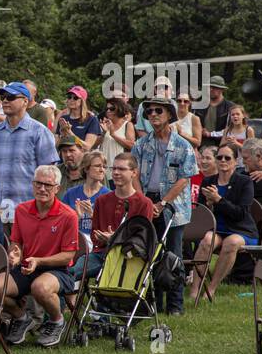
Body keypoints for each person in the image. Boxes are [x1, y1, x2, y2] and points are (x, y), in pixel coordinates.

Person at [0, 165, 80, 348]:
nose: (42, 189)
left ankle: (57, 320)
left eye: (48, 185)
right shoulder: (22, 210)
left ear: (57, 188)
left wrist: (39, 260)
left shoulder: (68, 215)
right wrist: (15, 253)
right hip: (27, 267)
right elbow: (16, 243)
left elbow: (68, 256)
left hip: (57, 270)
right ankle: (21, 317)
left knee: (40, 287)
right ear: (33, 184)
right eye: (38, 183)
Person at [133, 96, 198, 315]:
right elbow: (133, 174)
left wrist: (162, 203)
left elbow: (184, 179)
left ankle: (174, 305)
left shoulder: (183, 145)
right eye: (149, 111)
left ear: (169, 114)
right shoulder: (140, 144)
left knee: (173, 256)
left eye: (158, 111)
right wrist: (143, 201)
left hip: (173, 207)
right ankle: (152, 303)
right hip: (146, 200)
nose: (153, 115)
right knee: (147, 253)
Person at [0, 80, 58, 219]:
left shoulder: (39, 132)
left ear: (25, 101)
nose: (5, 101)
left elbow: (49, 173)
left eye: (11, 97)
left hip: (28, 210)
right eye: (3, 97)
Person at [73, 152, 156, 282]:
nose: (116, 172)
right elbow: (95, 234)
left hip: (129, 258)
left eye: (122, 169)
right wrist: (104, 239)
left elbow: (143, 241)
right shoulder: (102, 200)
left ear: (134, 173)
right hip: (101, 254)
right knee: (69, 274)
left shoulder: (144, 203)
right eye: (114, 168)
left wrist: (115, 239)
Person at [191, 143, 258, 301]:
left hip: (241, 229)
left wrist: (218, 200)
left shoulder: (244, 182)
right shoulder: (208, 181)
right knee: (207, 240)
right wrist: (208, 205)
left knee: (231, 243)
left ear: (236, 161)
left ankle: (211, 289)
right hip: (216, 228)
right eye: (219, 157)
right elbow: (201, 211)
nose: (223, 160)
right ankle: (195, 289)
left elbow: (241, 213)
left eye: (227, 157)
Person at [62, 149, 108, 239]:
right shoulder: (71, 193)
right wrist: (77, 216)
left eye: (104, 167)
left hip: (97, 245)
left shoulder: (108, 196)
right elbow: (61, 225)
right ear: (86, 168)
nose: (102, 170)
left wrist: (93, 216)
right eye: (98, 166)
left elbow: (109, 229)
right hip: (74, 241)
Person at [55, 85, 102, 150]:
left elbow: (87, 147)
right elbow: (56, 147)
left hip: (82, 158)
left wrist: (70, 133)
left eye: (75, 98)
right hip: (64, 158)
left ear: (82, 101)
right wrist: (63, 135)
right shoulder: (63, 119)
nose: (71, 100)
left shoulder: (91, 119)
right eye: (69, 97)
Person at [97, 93, 137, 167]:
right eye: (107, 109)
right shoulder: (104, 124)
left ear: (119, 109)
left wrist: (113, 135)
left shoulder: (127, 125)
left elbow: (132, 145)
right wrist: (103, 133)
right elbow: (94, 146)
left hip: (120, 167)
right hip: (104, 168)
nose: (108, 111)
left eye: (112, 109)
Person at [201, 75, 232, 139]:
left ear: (222, 89)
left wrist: (211, 134)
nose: (211, 89)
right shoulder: (199, 106)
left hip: (221, 144)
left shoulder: (230, 107)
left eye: (214, 87)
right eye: (209, 87)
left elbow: (232, 130)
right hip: (200, 143)